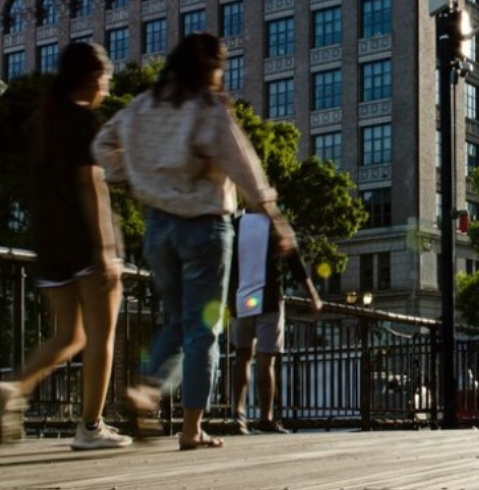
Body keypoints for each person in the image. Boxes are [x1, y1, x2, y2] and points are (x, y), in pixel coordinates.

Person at [93, 33, 295, 451]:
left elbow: (101, 143)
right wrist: (274, 218)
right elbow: (245, 167)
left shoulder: (144, 105)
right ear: (213, 68)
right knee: (204, 328)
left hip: (158, 228)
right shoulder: (208, 109)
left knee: (178, 320)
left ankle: (148, 385)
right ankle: (191, 428)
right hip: (204, 227)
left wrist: (127, 176)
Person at [0, 43, 132, 450]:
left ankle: (12, 388)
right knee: (102, 336)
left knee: (70, 335)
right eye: (107, 79)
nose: (108, 88)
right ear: (93, 78)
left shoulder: (46, 123)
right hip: (85, 247)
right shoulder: (82, 121)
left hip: (49, 246)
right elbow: (90, 186)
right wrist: (106, 248)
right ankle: (90, 427)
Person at [228, 212, 323, 435]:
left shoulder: (235, 225)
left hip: (240, 299)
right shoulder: (276, 225)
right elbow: (295, 262)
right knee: (265, 360)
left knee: (242, 357)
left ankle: (238, 416)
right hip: (269, 298)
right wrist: (313, 295)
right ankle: (265, 418)